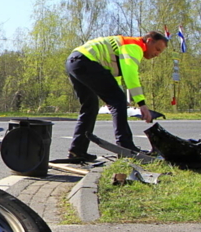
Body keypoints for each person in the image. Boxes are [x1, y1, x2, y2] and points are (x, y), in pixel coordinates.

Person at [65, 32, 169, 161]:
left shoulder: (124, 46)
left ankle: (77, 151)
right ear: (148, 41)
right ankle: (126, 148)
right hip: (87, 62)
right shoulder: (134, 46)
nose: (157, 54)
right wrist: (141, 104)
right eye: (157, 49)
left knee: (90, 107)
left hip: (74, 62)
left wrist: (117, 98)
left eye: (160, 52)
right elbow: (130, 75)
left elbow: (114, 77)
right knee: (117, 101)